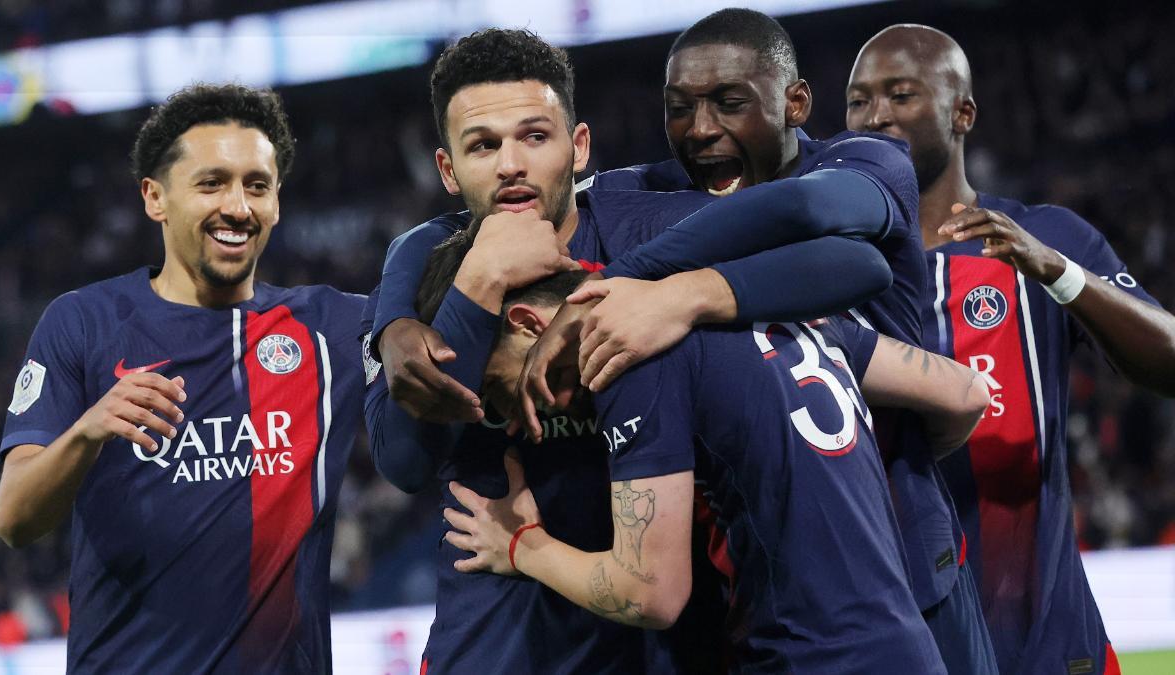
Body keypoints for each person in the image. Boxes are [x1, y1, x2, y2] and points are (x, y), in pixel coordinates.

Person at [363, 28, 900, 673]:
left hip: (660, 643)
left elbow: (858, 265)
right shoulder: (428, 271)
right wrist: (476, 285)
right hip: (494, 650)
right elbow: (405, 461)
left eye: (535, 136)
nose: (511, 165)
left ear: (579, 146)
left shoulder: (649, 227)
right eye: (483, 146)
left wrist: (689, 294)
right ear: (447, 169)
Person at [496, 9, 995, 672]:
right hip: (754, 591)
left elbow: (813, 217)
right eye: (680, 108)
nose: (702, 130)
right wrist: (393, 319)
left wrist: (669, 289)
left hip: (912, 572)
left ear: (795, 103)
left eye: (730, 103)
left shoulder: (866, 160)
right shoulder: (654, 196)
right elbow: (490, 216)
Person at [414, 235, 989, 673]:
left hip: (805, 656)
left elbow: (651, 593)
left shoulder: (628, 356)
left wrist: (522, 546)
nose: (518, 416)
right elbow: (965, 394)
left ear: (525, 322)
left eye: (497, 390)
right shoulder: (779, 309)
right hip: (906, 646)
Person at [0, 84, 368, 673]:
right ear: (155, 197)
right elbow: (14, 518)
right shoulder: (85, 323)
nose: (238, 207)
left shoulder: (333, 329)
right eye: (211, 182)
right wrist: (88, 432)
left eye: (257, 185)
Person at [846, 24, 1175, 675]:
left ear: (961, 112)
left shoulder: (1044, 237)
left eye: (901, 94)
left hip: (1050, 647)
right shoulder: (830, 267)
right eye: (858, 101)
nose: (875, 116)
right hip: (898, 647)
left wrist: (1060, 274)